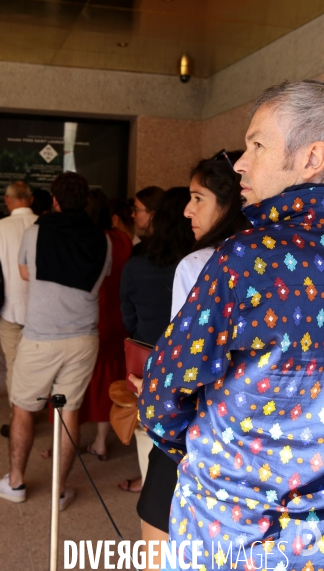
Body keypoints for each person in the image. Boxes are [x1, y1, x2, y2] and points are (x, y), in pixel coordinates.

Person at [139, 80, 324, 569]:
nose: (241, 162)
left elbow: (163, 391)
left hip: (230, 525)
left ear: (312, 157)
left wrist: (197, 454)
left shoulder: (247, 257)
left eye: (257, 144)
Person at [133, 152, 250, 570]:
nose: (187, 208)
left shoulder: (202, 263)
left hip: (197, 436)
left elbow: (182, 371)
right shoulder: (289, 258)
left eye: (198, 198)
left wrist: (153, 399)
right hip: (259, 445)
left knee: (159, 546)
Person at [0, 172, 111, 510]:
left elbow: (26, 273)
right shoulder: (103, 239)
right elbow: (101, 278)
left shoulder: (36, 232)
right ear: (84, 201)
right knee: (69, 410)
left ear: (54, 201)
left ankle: (15, 483)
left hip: (41, 337)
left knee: (24, 409)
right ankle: (58, 491)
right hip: (84, 338)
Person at [119, 187, 194, 493]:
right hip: (194, 363)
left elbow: (129, 318)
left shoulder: (138, 265)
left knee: (146, 430)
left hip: (150, 360)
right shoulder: (206, 261)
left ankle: (151, 485)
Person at [0, 181, 37, 436]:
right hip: (42, 312)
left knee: (14, 364)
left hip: (11, 309)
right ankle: (38, 413)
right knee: (39, 365)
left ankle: (19, 419)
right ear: (31, 200)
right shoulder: (44, 224)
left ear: (7, 200)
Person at [80, 189, 133, 459]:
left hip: (89, 317)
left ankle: (63, 440)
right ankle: (101, 442)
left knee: (75, 378)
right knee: (108, 379)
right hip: (118, 317)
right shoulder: (123, 239)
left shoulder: (83, 241)